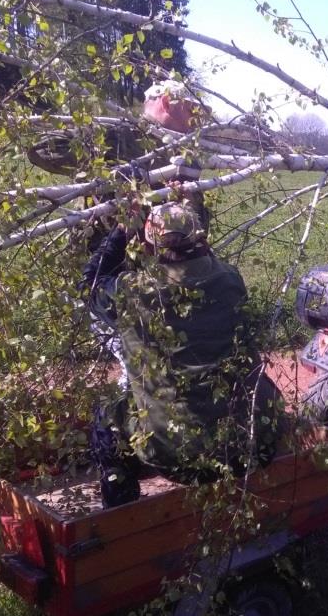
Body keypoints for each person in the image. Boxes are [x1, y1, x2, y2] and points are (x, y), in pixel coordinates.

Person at [81, 187, 281, 507]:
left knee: (106, 414)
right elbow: (203, 260)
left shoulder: (133, 292)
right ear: (200, 240)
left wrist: (121, 230)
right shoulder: (231, 280)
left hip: (176, 459)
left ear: (148, 246)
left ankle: (120, 506)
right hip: (252, 447)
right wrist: (188, 202)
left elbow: (91, 284)